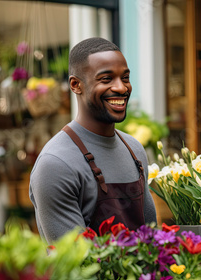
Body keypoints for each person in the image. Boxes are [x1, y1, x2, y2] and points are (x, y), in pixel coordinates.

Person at [29, 37, 157, 243]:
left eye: (125, 78)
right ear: (75, 85)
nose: (121, 88)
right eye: (106, 79)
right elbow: (77, 261)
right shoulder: (55, 163)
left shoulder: (135, 150)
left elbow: (153, 238)